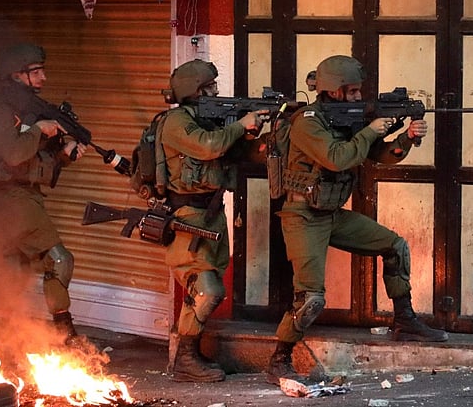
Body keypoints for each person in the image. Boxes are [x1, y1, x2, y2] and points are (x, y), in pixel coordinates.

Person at [265, 55, 448, 384]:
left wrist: (407, 137)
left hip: (331, 213)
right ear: (334, 92)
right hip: (303, 215)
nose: (357, 98)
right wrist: (370, 130)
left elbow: (379, 155)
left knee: (395, 246)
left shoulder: (349, 120)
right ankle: (280, 358)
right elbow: (338, 158)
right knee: (310, 299)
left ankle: (404, 321)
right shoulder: (307, 121)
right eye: (351, 92)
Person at [0, 43, 88, 344]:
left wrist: (64, 154)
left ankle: (1, 339)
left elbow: (33, 160)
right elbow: (14, 154)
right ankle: (65, 335)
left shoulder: (24, 110)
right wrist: (41, 130)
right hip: (8, 200)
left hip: (14, 197)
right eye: (36, 72)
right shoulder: (1, 112)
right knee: (59, 260)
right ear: (17, 75)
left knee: (13, 273)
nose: (43, 77)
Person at [158, 59, 263, 383]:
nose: (217, 92)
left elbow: (231, 154)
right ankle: (185, 360)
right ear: (195, 91)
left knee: (205, 286)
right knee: (206, 289)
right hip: (188, 217)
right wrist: (238, 125)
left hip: (212, 215)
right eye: (210, 88)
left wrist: (248, 134)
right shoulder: (176, 121)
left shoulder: (204, 120)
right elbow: (208, 148)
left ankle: (192, 355)